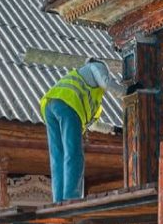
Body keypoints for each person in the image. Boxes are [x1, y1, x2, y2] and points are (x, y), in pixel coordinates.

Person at [39, 59, 113, 203]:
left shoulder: (92, 96)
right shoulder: (96, 66)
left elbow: (94, 125)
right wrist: (129, 91)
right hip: (68, 105)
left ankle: (59, 199)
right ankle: (71, 197)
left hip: (51, 106)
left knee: (58, 157)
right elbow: (106, 83)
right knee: (74, 154)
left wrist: (113, 129)